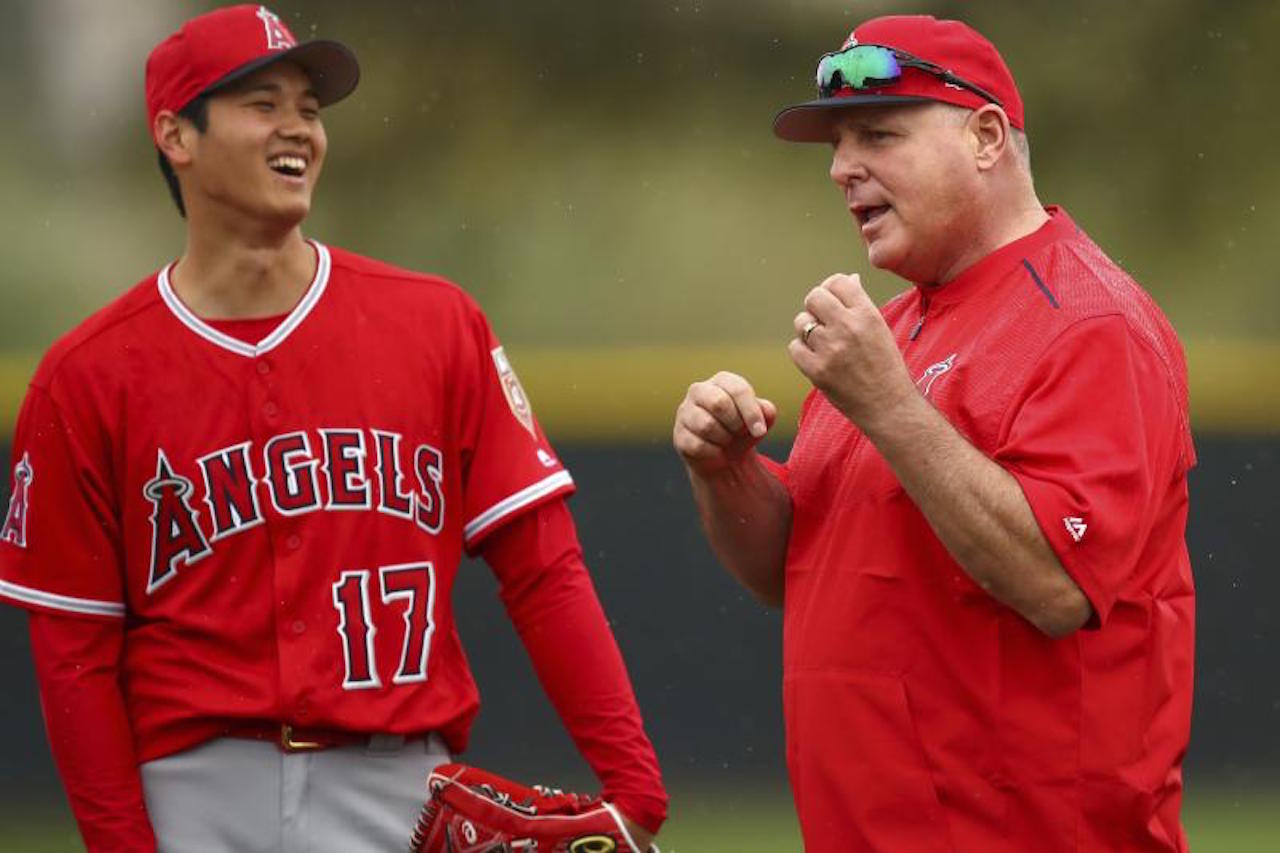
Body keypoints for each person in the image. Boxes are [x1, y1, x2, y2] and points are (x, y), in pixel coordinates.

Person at [0, 5, 665, 850]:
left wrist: (634, 782)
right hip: (193, 795)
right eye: (262, 104)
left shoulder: (434, 324)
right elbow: (74, 653)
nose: (298, 130)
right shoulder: (86, 376)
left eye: (310, 109)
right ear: (176, 134)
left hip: (400, 790)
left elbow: (543, 565)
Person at [673, 14, 1194, 853]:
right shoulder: (893, 330)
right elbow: (788, 572)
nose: (843, 168)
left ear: (987, 136)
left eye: (879, 134)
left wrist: (888, 405)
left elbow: (1057, 584)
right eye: (839, 144)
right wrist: (725, 471)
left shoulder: (1093, 323)